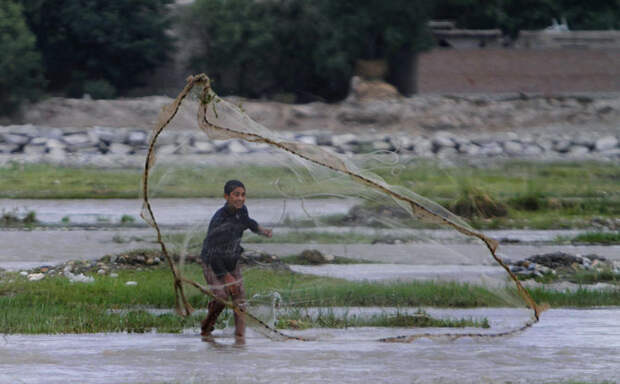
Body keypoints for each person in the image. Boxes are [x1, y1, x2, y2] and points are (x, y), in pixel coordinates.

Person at [199, 179, 272, 343]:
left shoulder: (242, 211)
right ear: (227, 197)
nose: (240, 198)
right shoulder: (220, 220)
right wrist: (226, 276)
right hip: (212, 261)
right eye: (236, 195)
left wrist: (261, 230)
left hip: (232, 259)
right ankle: (206, 326)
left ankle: (240, 338)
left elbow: (248, 222)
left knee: (240, 300)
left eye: (243, 195)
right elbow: (213, 252)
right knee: (222, 296)